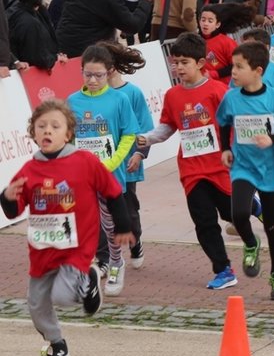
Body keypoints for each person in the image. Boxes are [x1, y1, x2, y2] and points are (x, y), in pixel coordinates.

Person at [0, 99, 133, 356]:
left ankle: (89, 278)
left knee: (62, 295)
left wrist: (123, 225)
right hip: (42, 250)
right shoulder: (29, 169)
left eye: (55, 126)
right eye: (41, 126)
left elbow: (113, 192)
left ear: (68, 133)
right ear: (33, 133)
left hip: (76, 246)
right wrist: (6, 196)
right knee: (36, 304)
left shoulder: (84, 161)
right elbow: (13, 211)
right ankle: (57, 345)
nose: (47, 131)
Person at [136, 33, 245, 290]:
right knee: (204, 222)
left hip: (221, 167)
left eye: (184, 62)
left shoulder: (219, 91)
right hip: (192, 171)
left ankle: (253, 205)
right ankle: (223, 270)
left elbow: (236, 125)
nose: (179, 68)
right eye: (175, 63)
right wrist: (146, 139)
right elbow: (167, 127)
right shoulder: (172, 95)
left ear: (200, 63)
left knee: (233, 215)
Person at [216, 41, 274, 300]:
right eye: (233, 66)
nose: (234, 72)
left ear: (258, 70)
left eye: (239, 67)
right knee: (238, 214)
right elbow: (223, 123)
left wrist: (272, 139)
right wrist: (225, 149)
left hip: (271, 169)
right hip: (243, 165)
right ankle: (251, 243)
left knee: (273, 226)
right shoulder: (231, 97)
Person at [67, 44, 140, 296]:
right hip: (83, 177)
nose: (93, 80)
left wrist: (111, 163)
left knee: (111, 225)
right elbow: (68, 137)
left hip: (110, 173)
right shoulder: (73, 101)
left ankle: (117, 263)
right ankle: (88, 268)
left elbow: (129, 134)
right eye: (88, 74)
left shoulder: (119, 99)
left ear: (109, 72)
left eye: (98, 75)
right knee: (86, 224)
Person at [96, 41, 153, 271]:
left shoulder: (132, 93)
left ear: (112, 66)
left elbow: (145, 129)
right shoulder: (92, 96)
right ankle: (104, 259)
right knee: (100, 215)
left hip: (126, 167)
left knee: (128, 211)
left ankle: (135, 240)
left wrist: (139, 155)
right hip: (100, 168)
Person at [7, 0, 64, 70]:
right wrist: (55, 58)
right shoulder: (31, 23)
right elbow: (37, 57)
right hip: (24, 71)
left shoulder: (11, 9)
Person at [199, 3, 252, 83]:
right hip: (200, 85)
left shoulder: (226, 42)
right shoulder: (194, 40)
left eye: (210, 21)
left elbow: (237, 64)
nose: (206, 23)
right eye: (203, 20)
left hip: (223, 86)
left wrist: (214, 74)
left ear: (217, 24)